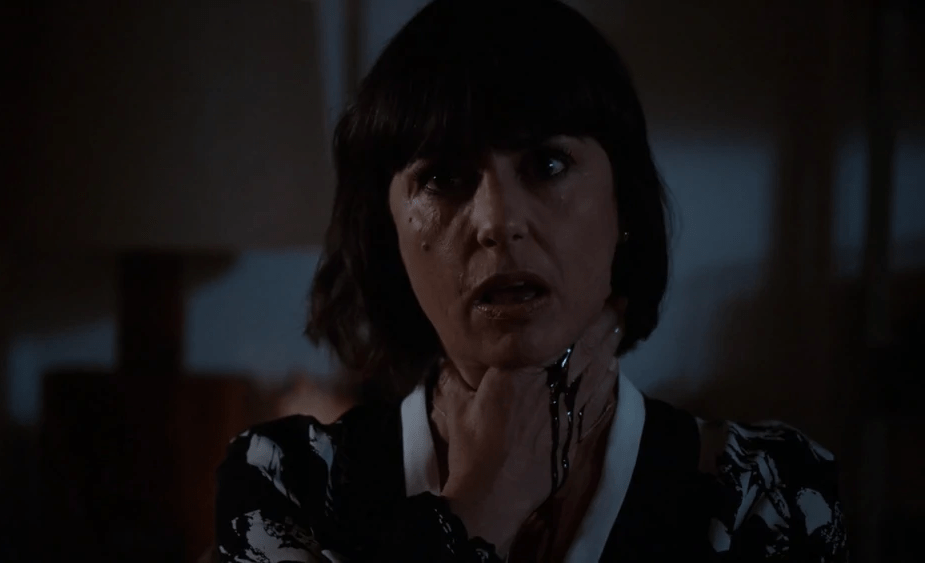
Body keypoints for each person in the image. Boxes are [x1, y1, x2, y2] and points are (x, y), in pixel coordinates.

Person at [214, 1, 847, 561]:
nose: (498, 221)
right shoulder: (287, 483)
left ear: (623, 205)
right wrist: (479, 507)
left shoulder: (768, 493)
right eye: (443, 178)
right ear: (388, 232)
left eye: (547, 164)